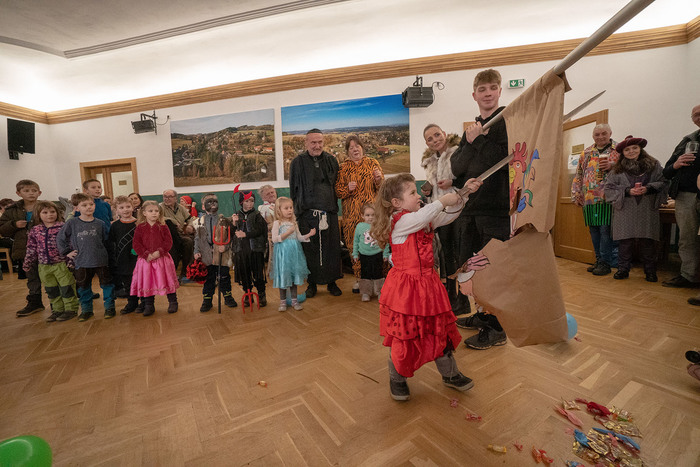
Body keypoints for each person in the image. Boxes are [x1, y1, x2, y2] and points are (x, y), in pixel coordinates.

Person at [371, 173, 483, 401]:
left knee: (438, 331)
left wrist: (464, 194)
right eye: (412, 192)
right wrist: (443, 200)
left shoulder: (422, 217)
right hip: (406, 292)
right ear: (396, 203)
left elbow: (447, 216)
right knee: (404, 336)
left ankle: (450, 374)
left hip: (429, 287)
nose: (417, 195)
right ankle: (397, 378)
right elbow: (426, 215)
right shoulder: (400, 222)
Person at [450, 69, 509, 350]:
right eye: (482, 89)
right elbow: (456, 167)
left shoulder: (506, 122)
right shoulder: (472, 129)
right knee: (473, 268)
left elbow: (504, 160)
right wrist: (472, 141)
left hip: (495, 210)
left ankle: (496, 328)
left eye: (492, 88)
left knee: (492, 271)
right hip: (471, 210)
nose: (487, 93)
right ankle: (483, 314)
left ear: (499, 91)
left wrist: (479, 141)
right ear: (474, 95)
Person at [604, 136, 669, 281]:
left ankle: (650, 271)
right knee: (625, 242)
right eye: (627, 149)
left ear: (641, 149)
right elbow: (608, 188)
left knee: (648, 241)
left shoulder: (654, 165)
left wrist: (649, 188)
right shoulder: (617, 170)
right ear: (622, 152)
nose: (631, 151)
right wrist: (628, 191)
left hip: (647, 208)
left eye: (634, 148)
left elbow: (664, 181)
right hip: (625, 208)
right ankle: (623, 270)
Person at [289, 129, 343, 297]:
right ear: (306, 143)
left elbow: (337, 186)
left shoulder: (331, 160)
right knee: (310, 251)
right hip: (307, 216)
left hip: (329, 214)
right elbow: (293, 191)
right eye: (313, 142)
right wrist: (297, 214)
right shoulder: (297, 163)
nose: (317, 146)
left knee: (331, 250)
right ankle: (311, 284)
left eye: (320, 142)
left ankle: (332, 282)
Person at [421, 124, 468, 313]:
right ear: (427, 143)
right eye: (430, 139)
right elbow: (433, 187)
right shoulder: (430, 161)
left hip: (459, 210)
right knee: (446, 255)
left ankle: (463, 299)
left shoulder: (457, 153)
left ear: (444, 134)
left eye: (437, 135)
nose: (435, 140)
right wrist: (428, 191)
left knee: (460, 255)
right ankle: (450, 296)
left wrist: (452, 182)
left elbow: (469, 178)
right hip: (440, 213)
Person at [0, 180, 59, 316]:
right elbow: (2, 229)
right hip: (25, 249)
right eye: (26, 191)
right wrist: (14, 224)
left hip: (48, 248)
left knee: (52, 276)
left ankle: (56, 303)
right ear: (18, 193)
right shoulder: (12, 210)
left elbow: (59, 223)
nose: (31, 193)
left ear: (39, 192)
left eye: (34, 190)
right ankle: (35, 301)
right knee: (32, 277)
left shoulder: (47, 207)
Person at [335, 135, 384, 293]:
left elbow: (382, 188)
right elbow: (338, 192)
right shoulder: (343, 168)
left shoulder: (372, 163)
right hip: (351, 217)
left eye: (357, 146)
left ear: (362, 148)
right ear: (347, 151)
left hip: (372, 216)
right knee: (354, 246)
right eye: (351, 147)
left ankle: (377, 278)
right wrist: (347, 189)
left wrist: (378, 180)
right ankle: (359, 279)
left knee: (375, 245)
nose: (355, 149)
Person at [57, 193, 115, 321]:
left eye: (91, 204)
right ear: (77, 208)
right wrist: (66, 251)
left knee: (107, 285)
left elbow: (105, 240)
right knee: (83, 287)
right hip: (82, 261)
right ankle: (86, 310)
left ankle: (110, 308)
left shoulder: (100, 223)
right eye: (84, 205)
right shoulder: (72, 223)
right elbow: (61, 238)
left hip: (101, 260)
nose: (89, 207)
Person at [571, 124, 620, 275]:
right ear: (593, 136)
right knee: (594, 231)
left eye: (604, 133)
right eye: (597, 134)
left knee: (605, 231)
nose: (600, 137)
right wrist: (576, 194)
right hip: (590, 199)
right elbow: (579, 175)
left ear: (610, 133)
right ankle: (598, 260)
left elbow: (628, 171)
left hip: (608, 199)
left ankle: (606, 262)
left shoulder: (618, 150)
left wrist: (613, 166)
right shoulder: (586, 153)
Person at [662, 104, 700, 288]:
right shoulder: (687, 141)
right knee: (686, 238)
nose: (699, 117)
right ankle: (688, 275)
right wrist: (676, 164)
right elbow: (667, 171)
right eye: (695, 115)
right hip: (685, 196)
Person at [23, 201, 79, 322]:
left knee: (67, 288)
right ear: (38, 214)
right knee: (51, 289)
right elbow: (31, 248)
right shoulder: (35, 230)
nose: (50, 215)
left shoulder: (63, 227)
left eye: (52, 212)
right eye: (45, 212)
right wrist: (28, 262)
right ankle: (57, 309)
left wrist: (71, 261)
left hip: (62, 264)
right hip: (44, 266)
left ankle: (71, 309)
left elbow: (71, 244)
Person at [131, 201, 180, 316]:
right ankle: (149, 305)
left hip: (162, 259)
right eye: (151, 211)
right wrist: (146, 254)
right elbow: (136, 244)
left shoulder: (163, 226)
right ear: (144, 213)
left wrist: (160, 252)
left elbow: (168, 242)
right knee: (148, 282)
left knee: (167, 280)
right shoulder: (140, 227)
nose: (154, 213)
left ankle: (173, 302)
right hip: (146, 260)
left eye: (156, 211)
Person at [271, 197, 316, 312]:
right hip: (283, 255)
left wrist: (309, 234)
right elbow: (275, 239)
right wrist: (287, 232)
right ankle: (283, 302)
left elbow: (299, 238)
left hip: (294, 254)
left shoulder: (294, 223)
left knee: (293, 278)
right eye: (286, 208)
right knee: (283, 277)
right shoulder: (277, 223)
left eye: (291, 208)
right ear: (279, 210)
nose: (289, 210)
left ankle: (294, 301)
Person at [193, 193, 237, 312]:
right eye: (209, 202)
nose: (212, 204)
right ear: (203, 206)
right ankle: (207, 300)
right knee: (209, 278)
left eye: (215, 202)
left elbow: (230, 236)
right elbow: (197, 238)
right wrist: (196, 251)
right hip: (206, 255)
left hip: (221, 255)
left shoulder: (224, 220)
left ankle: (228, 297)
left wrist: (225, 246)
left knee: (224, 276)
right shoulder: (199, 222)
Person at [232, 190, 268, 307]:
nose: (250, 204)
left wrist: (246, 234)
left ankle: (261, 294)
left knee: (258, 273)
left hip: (255, 249)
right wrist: (234, 224)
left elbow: (260, 230)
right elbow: (232, 232)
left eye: (252, 201)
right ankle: (248, 294)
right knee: (245, 273)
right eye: (247, 201)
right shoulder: (237, 215)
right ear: (241, 202)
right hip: (242, 250)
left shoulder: (257, 215)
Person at [108, 196, 140, 312]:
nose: (125, 210)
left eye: (128, 206)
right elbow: (112, 242)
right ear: (116, 210)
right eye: (121, 208)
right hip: (123, 260)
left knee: (141, 281)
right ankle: (132, 303)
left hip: (138, 259)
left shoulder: (139, 223)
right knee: (128, 283)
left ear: (133, 207)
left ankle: (145, 303)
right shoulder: (115, 225)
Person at [352, 204, 389, 302]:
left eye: (373, 215)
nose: (371, 217)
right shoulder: (359, 226)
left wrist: (385, 254)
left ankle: (380, 291)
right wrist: (355, 254)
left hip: (377, 254)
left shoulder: (380, 226)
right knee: (365, 274)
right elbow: (356, 241)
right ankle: (366, 292)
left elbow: (385, 240)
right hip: (364, 255)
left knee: (378, 273)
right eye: (367, 215)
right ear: (362, 216)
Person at [161, 189, 195, 283]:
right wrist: (173, 221)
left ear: (176, 198)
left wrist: (190, 225)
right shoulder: (160, 207)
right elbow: (159, 217)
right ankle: (177, 273)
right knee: (187, 242)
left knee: (194, 241)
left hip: (180, 234)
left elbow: (190, 218)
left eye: (170, 197)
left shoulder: (181, 208)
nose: (167, 199)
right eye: (165, 196)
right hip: (168, 236)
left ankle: (187, 272)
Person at [257, 185, 277, 275]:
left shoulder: (278, 204)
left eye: (272, 192)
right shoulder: (264, 208)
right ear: (263, 198)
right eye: (268, 194)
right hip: (273, 236)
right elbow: (266, 226)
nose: (271, 194)